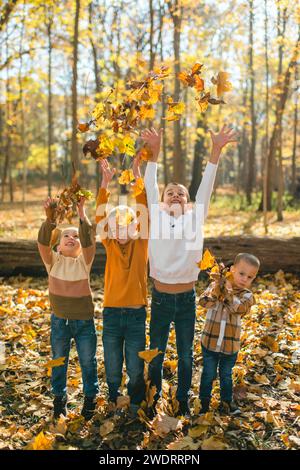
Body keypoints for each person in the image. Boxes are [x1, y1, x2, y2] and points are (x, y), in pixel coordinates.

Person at [142, 125, 237, 418]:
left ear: (188, 201)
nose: (175, 196)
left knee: (185, 357)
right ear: (162, 199)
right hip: (159, 298)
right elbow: (150, 183)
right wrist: (154, 152)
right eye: (170, 192)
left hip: (186, 300)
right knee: (155, 355)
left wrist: (216, 151)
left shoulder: (196, 217)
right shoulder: (154, 214)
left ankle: (182, 400)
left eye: (181, 194)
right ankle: (152, 397)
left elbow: (205, 188)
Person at [95, 157, 148, 417]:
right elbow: (99, 215)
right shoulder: (110, 245)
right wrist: (105, 184)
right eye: (114, 225)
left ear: (135, 226)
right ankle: (114, 397)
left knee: (136, 365)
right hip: (112, 314)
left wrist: (138, 177)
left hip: (137, 315)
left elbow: (143, 208)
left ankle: (136, 402)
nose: (118, 228)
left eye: (125, 223)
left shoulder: (141, 245)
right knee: (113, 364)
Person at [37, 196, 98, 420]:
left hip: (84, 322)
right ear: (58, 246)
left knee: (87, 361)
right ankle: (59, 399)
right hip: (59, 321)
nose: (71, 238)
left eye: (75, 236)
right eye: (66, 236)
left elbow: (89, 241)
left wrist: (82, 215)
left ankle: (90, 398)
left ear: (80, 247)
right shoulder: (52, 261)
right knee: (59, 360)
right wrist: (51, 219)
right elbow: (42, 243)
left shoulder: (84, 262)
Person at [199, 253, 260, 415]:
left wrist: (226, 292)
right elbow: (203, 302)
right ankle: (203, 402)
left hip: (230, 346)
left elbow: (238, 308)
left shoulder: (247, 296)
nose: (244, 279)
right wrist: (216, 290)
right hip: (210, 343)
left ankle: (226, 402)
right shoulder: (216, 286)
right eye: (241, 273)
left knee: (226, 376)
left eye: (250, 277)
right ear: (232, 269)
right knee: (208, 374)